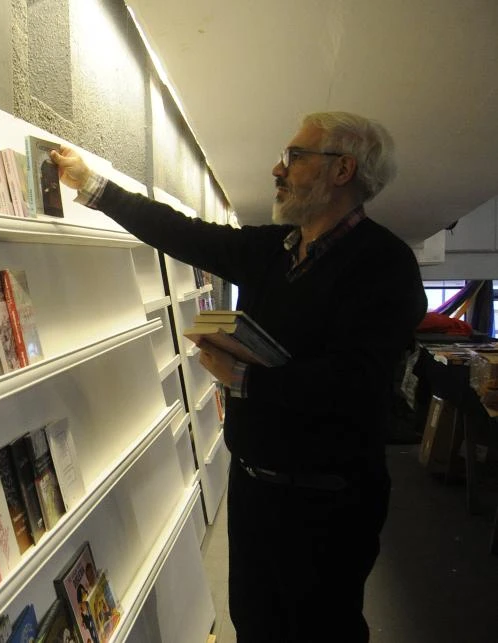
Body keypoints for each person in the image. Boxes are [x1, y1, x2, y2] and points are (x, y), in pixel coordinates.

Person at [50, 111, 427, 642]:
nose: (278, 168)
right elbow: (186, 235)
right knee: (254, 623)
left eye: (295, 157)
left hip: (329, 504)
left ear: (343, 170)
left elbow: (355, 384)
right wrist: (93, 186)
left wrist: (247, 382)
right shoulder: (277, 248)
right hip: (253, 486)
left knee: (321, 629)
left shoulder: (386, 264)